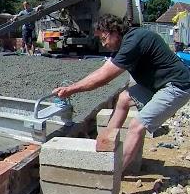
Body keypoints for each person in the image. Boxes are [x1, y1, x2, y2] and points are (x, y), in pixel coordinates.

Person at [53, 14, 190, 173]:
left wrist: (71, 89)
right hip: (157, 84)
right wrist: (72, 86)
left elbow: (104, 78)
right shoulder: (124, 43)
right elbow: (102, 70)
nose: (103, 44)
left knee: (137, 125)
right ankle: (106, 141)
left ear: (114, 32)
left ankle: (115, 174)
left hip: (176, 86)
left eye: (104, 38)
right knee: (124, 98)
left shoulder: (134, 41)